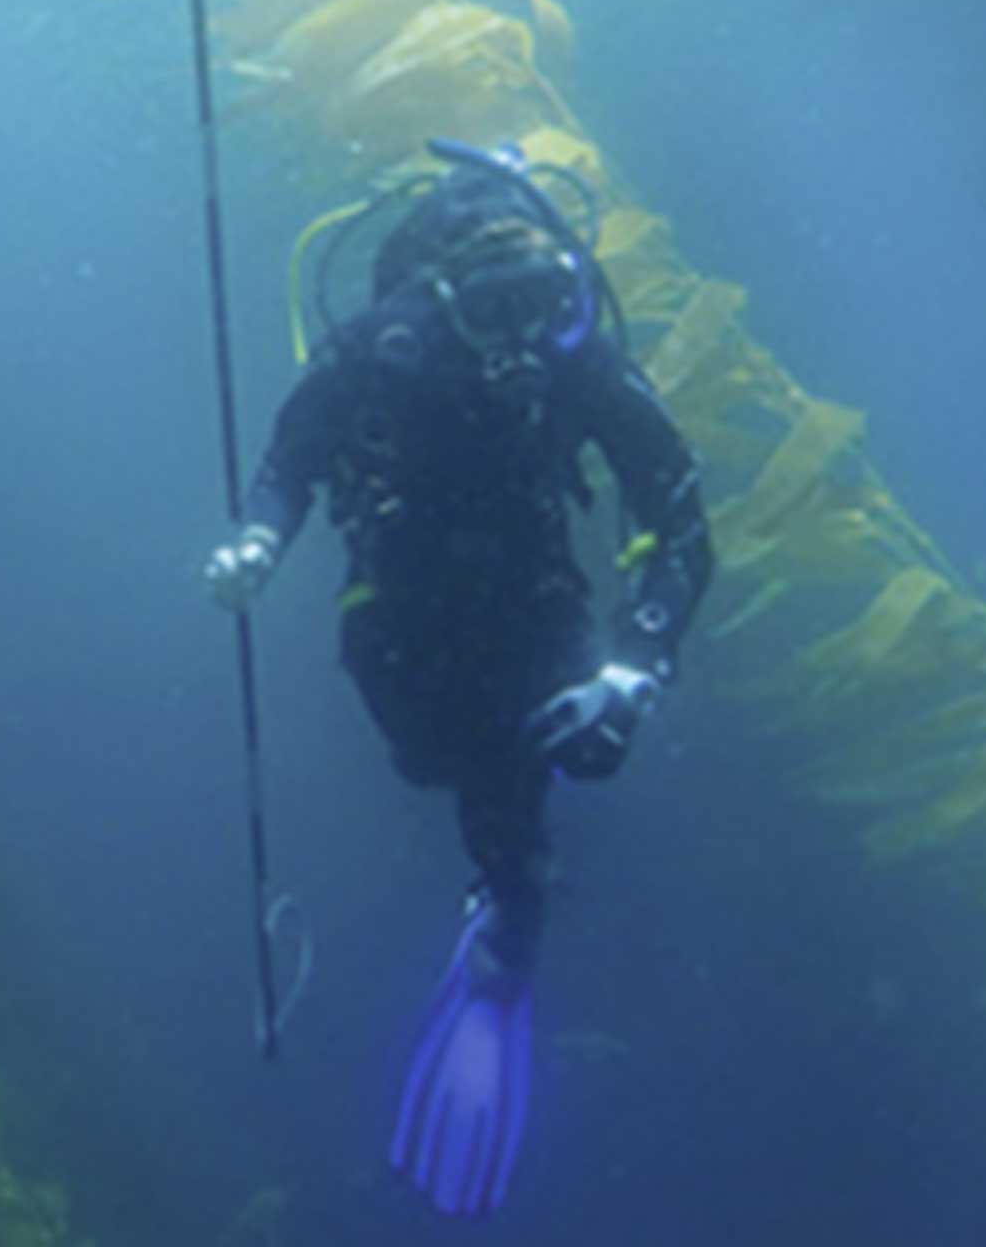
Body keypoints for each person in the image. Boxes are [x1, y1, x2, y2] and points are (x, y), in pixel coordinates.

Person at [204, 138, 712, 1217]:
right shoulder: (381, 349)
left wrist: (640, 666)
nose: (516, 347)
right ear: (442, 297)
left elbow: (681, 520)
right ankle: (504, 879)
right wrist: (256, 543)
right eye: (495, 315)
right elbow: (291, 461)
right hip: (399, 608)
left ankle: (507, 912)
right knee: (434, 751)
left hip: (536, 605)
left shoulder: (574, 352)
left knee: (573, 740)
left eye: (537, 309)